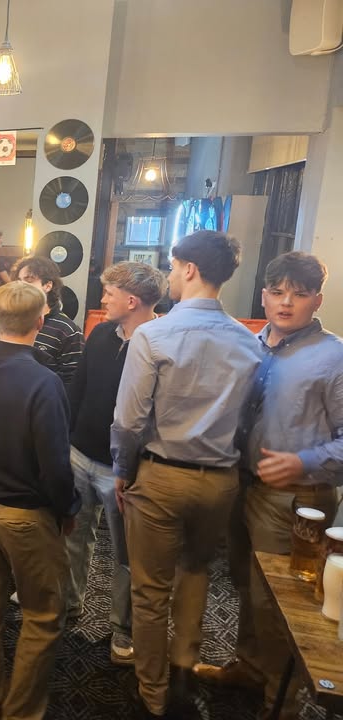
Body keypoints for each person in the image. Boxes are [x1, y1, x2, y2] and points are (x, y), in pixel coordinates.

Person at [111, 230, 261, 719]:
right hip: (220, 480)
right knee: (196, 574)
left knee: (150, 589)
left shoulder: (154, 335)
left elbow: (129, 422)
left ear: (189, 269)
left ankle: (153, 691)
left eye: (173, 267)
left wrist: (122, 471)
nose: (171, 275)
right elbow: (249, 419)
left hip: (161, 475)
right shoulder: (249, 341)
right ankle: (183, 671)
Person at [193, 251, 343, 720]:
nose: (286, 303)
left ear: (317, 300)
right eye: (277, 292)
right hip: (243, 484)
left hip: (296, 498)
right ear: (263, 295)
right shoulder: (251, 344)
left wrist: (303, 460)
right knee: (245, 585)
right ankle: (250, 667)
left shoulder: (334, 356)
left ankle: (281, 702)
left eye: (299, 294)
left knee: (281, 602)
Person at [0, 282, 78, 720]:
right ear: (41, 321)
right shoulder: (45, 380)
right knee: (42, 615)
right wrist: (68, 508)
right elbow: (55, 464)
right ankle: (20, 713)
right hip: (25, 515)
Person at [64, 261, 167, 667]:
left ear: (132, 300)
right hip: (79, 453)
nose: (103, 298)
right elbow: (79, 388)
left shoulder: (162, 343)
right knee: (73, 535)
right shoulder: (101, 333)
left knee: (127, 554)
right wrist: (67, 440)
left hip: (123, 468)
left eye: (109, 292)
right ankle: (68, 605)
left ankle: (123, 628)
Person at [13, 256, 84, 386]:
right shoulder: (13, 321)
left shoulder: (67, 330)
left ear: (48, 285)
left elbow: (71, 381)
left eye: (29, 280)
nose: (21, 286)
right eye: (19, 281)